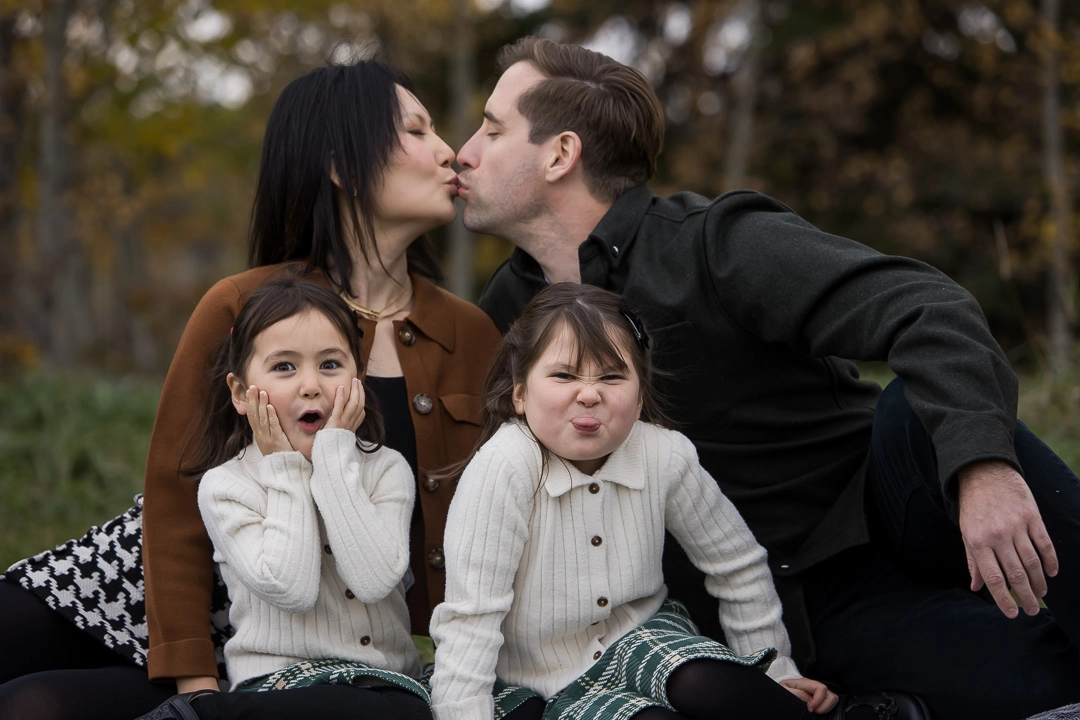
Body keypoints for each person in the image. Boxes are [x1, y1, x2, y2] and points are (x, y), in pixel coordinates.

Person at [458, 36, 1080, 720]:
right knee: (1040, 685)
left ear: (559, 155)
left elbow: (927, 310)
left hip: (881, 518)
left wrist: (982, 466)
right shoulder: (503, 322)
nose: (466, 149)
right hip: (787, 621)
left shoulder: (714, 244)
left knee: (917, 412)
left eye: (492, 128)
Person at [0, 57, 501, 719]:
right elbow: (174, 495)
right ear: (342, 166)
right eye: (416, 131)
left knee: (35, 706)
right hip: (140, 585)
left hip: (294, 633)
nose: (449, 153)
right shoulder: (243, 301)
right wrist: (193, 682)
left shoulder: (471, 334)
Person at [429, 283, 838, 720]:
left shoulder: (663, 454)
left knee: (726, 690)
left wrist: (776, 672)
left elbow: (738, 566)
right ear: (520, 393)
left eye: (611, 376)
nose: (589, 393)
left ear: (640, 395)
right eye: (564, 375)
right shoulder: (504, 467)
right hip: (538, 675)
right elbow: (470, 617)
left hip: (644, 638)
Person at [139, 278, 432, 720]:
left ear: (358, 380)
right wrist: (285, 470)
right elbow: (289, 588)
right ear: (240, 393)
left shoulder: (385, 469)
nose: (311, 385)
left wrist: (334, 458)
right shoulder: (227, 486)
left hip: (386, 683)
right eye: (284, 367)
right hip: (279, 685)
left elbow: (373, 580)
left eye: (331, 364)